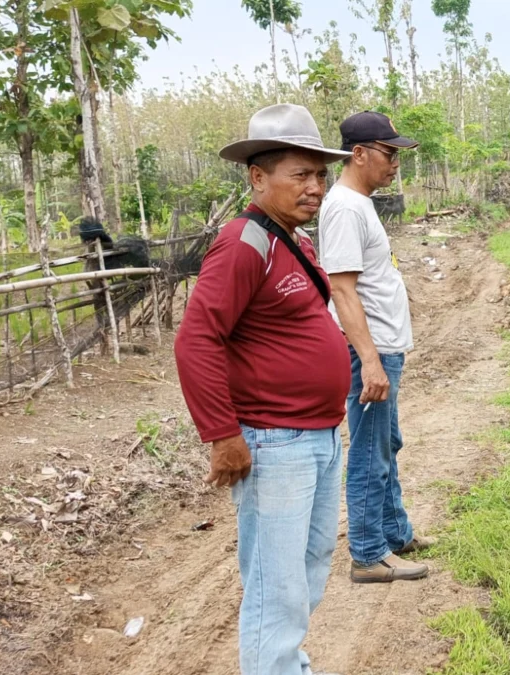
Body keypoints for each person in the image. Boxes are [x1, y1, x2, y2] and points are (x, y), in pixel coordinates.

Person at [174, 103, 351, 675]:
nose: (316, 187)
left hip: (317, 437)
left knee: (305, 574)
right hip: (276, 443)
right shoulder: (244, 241)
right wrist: (223, 436)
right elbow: (196, 339)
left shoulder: (288, 239)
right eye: (300, 175)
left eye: (320, 175)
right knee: (276, 589)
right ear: (258, 177)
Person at [318, 110, 434, 582]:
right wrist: (369, 360)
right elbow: (342, 290)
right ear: (359, 154)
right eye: (389, 154)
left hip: (383, 344)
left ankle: (394, 532)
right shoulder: (344, 208)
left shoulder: (360, 203)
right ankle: (368, 553)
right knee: (370, 450)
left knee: (387, 442)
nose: (395, 164)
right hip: (369, 349)